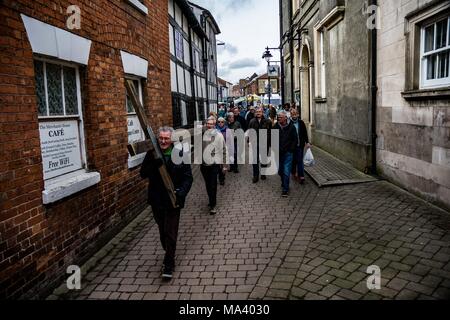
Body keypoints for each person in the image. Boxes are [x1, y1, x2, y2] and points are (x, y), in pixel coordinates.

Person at [140, 127, 193, 280]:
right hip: (157, 199)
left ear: (172, 139)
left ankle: (168, 263)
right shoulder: (151, 154)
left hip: (173, 200)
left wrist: (180, 192)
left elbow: (188, 178)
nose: (163, 141)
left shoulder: (180, 154)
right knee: (163, 231)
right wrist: (153, 165)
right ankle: (169, 251)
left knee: (170, 232)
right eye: (161, 138)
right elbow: (143, 174)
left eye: (166, 138)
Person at [201, 116, 228, 215]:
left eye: (211, 124)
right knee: (208, 184)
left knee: (212, 184)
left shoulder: (219, 136)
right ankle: (211, 199)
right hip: (203, 165)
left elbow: (224, 150)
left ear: (214, 125)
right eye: (208, 123)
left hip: (214, 164)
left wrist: (224, 165)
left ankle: (213, 205)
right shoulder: (201, 134)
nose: (209, 125)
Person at [273, 111, 297, 197]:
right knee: (280, 171)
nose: (279, 118)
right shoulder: (275, 127)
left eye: (280, 117)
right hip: (278, 153)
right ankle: (284, 182)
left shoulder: (291, 127)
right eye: (278, 117)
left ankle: (285, 189)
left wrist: (291, 149)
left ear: (285, 118)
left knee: (286, 170)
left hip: (288, 153)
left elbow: (295, 140)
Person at [248, 107, 272, 183]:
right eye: (257, 111)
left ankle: (263, 173)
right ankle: (255, 176)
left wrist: (269, 142)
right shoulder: (252, 121)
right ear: (255, 113)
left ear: (262, 112)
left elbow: (270, 132)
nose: (258, 113)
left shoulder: (268, 121)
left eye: (260, 111)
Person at [290, 109, 311, 184]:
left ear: (298, 114)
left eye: (295, 114)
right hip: (291, 146)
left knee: (300, 160)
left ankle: (301, 176)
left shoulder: (301, 122)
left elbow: (305, 133)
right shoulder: (289, 123)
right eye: (293, 114)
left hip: (300, 145)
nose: (294, 115)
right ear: (291, 115)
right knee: (293, 160)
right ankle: (293, 171)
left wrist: (307, 142)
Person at [216, 117, 228, 185]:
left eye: (222, 122)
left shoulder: (227, 130)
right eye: (219, 122)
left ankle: (222, 179)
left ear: (224, 122)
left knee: (223, 165)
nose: (220, 123)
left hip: (224, 150)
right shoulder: (215, 130)